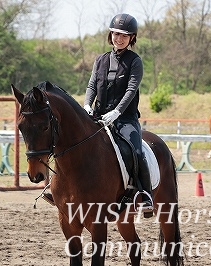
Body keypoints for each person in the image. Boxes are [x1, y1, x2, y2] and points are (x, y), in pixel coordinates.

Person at [43, 13, 154, 216]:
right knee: (70, 144)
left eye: (124, 35)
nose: (119, 39)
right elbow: (92, 84)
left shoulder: (135, 62)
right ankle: (57, 187)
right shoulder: (100, 60)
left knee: (136, 151)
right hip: (98, 116)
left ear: (131, 38)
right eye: (116, 34)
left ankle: (144, 193)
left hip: (125, 119)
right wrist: (87, 105)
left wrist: (117, 112)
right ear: (110, 34)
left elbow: (131, 90)